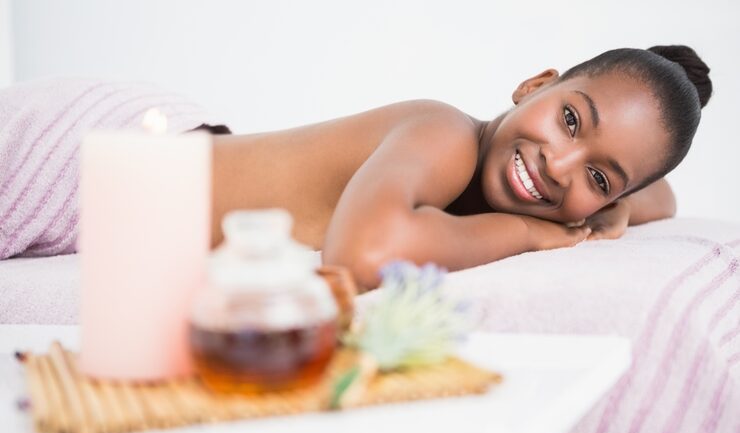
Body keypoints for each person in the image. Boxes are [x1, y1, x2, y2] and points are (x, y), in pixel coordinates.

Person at [210, 45, 712, 290]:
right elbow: (361, 256)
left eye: (598, 178)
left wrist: (614, 207)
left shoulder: (574, 194)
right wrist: (525, 232)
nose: (559, 167)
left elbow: (662, 196)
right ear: (534, 86)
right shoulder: (444, 133)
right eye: (570, 120)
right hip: (171, 182)